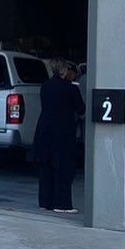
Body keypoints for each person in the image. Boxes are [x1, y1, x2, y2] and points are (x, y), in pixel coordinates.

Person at [34, 59, 86, 213]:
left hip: (44, 129)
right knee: (63, 167)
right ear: (65, 72)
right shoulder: (71, 89)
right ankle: (62, 204)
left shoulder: (45, 86)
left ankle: (45, 201)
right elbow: (81, 109)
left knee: (46, 166)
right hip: (63, 132)